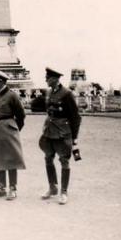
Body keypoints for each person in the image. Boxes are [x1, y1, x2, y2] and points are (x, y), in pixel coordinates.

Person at [39, 67, 81, 205]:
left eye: (48, 77)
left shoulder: (67, 94)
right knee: (48, 158)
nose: (46, 79)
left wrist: (74, 138)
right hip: (49, 131)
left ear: (55, 79)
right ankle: (52, 187)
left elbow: (75, 117)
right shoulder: (49, 92)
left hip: (63, 132)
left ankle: (63, 191)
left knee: (64, 161)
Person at [0, 69, 26, 201]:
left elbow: (21, 115)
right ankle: (1, 188)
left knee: (11, 159)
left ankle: (13, 188)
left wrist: (14, 129)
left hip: (8, 129)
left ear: (1, 82)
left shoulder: (11, 95)